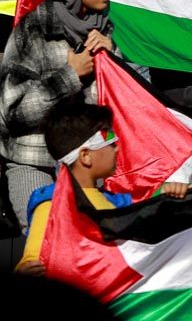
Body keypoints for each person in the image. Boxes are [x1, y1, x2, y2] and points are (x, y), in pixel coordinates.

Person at [0, 0, 118, 232]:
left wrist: (112, 61)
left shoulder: (105, 32)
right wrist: (68, 77)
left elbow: (125, 107)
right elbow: (12, 112)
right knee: (48, 251)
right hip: (36, 167)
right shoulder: (34, 30)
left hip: (89, 171)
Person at [15, 103, 130, 275]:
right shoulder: (52, 206)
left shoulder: (117, 201)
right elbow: (32, 261)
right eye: (110, 141)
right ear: (85, 156)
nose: (117, 148)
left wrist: (169, 192)